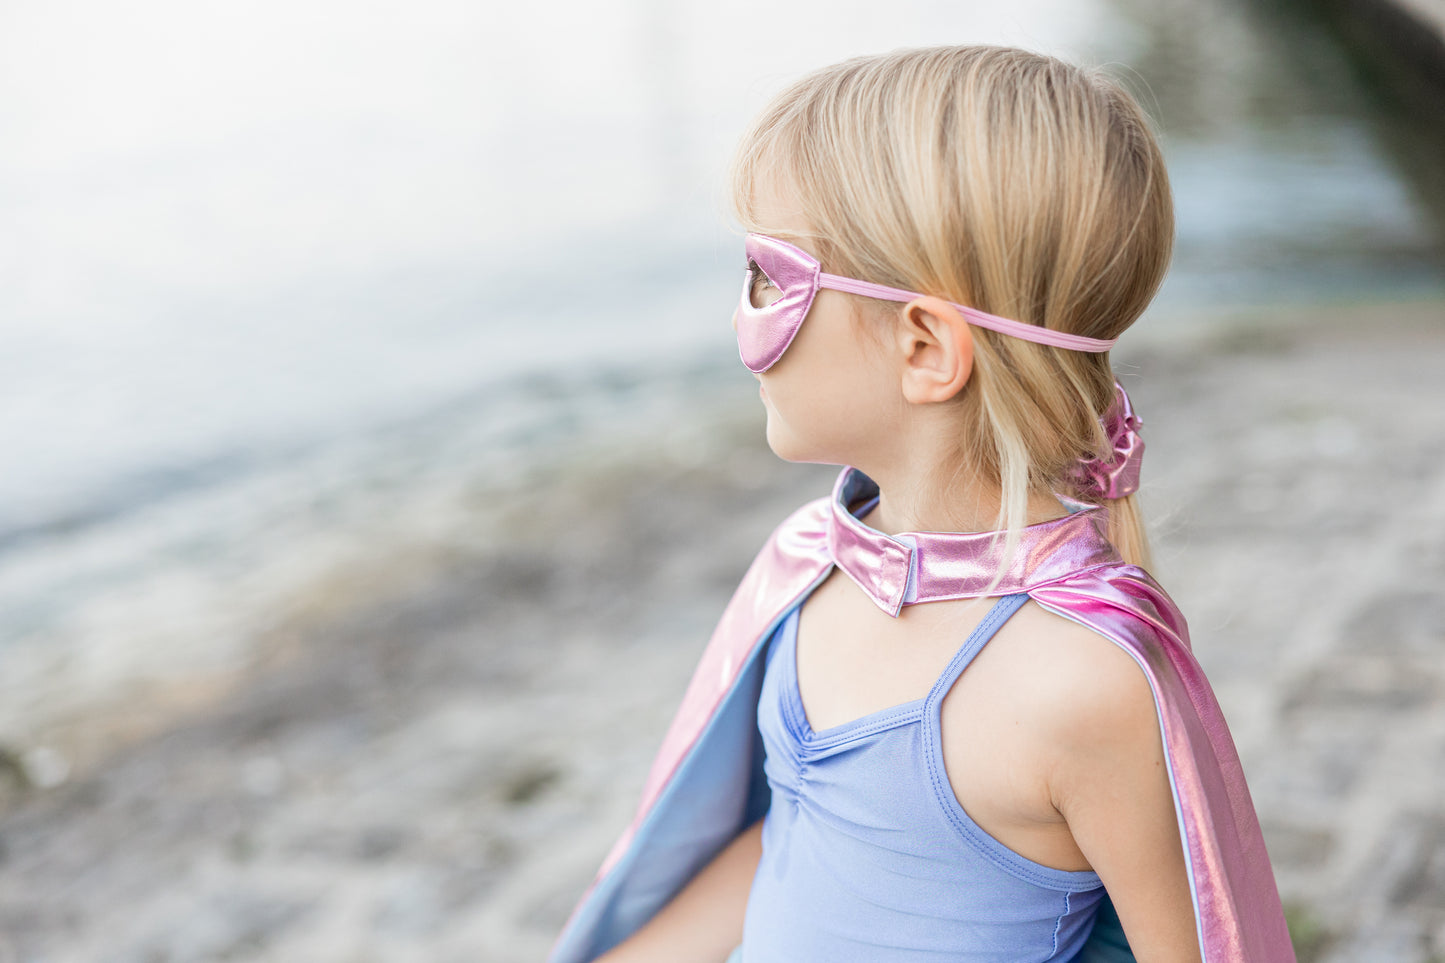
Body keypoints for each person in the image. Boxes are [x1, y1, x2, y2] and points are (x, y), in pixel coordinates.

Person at [550, 45, 1293, 963]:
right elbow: (793, 842)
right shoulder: (809, 572)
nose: (739, 323)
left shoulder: (1079, 686)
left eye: (768, 281)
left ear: (924, 347)